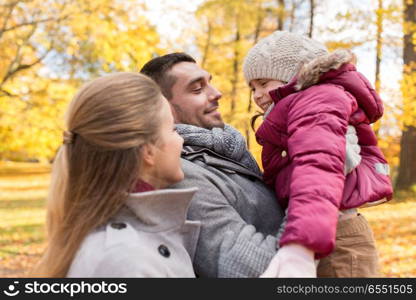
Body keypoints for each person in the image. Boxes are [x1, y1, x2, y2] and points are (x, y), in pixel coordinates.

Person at [140, 53, 361, 277]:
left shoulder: (229, 154)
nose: (216, 93)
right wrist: (314, 179)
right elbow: (254, 270)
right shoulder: (181, 175)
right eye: (197, 89)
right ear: (162, 107)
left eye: (210, 82)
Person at [243, 31, 393, 277]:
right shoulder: (295, 110)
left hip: (335, 236)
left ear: (292, 76)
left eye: (264, 83)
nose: (257, 95)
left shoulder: (315, 100)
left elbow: (317, 163)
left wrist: (301, 245)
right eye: (252, 88)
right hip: (323, 229)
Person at [33, 72, 200, 277]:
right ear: (148, 151)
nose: (181, 140)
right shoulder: (124, 261)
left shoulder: (124, 250)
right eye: (173, 129)